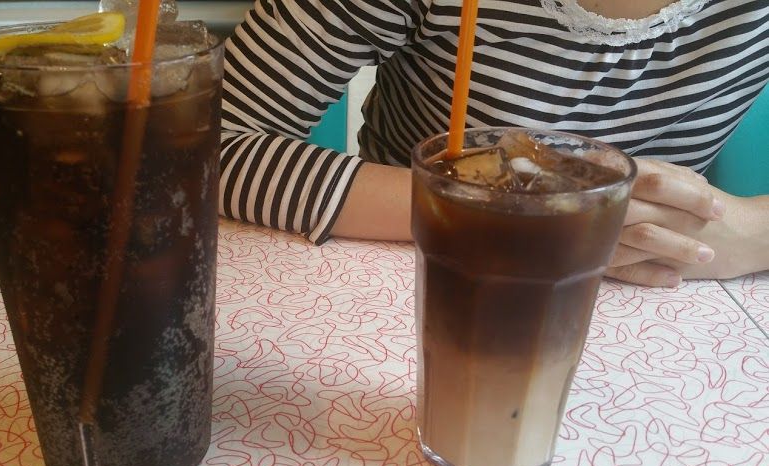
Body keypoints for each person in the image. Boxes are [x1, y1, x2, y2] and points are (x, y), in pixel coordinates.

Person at [218, 0, 769, 287]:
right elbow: (206, 148)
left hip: (669, 323)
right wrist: (544, 221)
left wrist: (751, 232)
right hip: (421, 292)